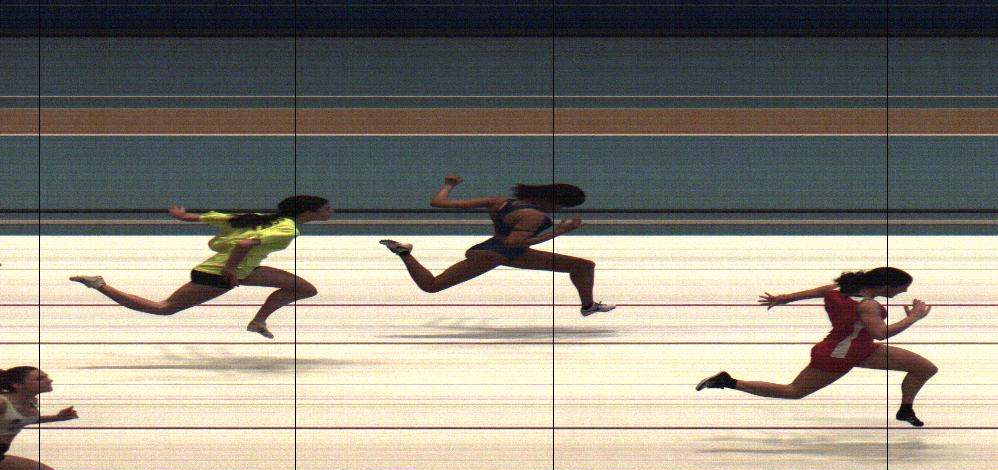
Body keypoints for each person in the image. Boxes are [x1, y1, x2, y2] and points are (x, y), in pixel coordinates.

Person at [697, 267, 936, 427]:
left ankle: (905, 410)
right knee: (794, 391)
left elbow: (814, 292)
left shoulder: (836, 291)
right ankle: (729, 381)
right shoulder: (868, 306)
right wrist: (913, 318)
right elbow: (880, 333)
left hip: (860, 348)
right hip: (839, 354)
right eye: (902, 287)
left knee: (925, 368)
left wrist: (782, 298)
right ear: (886, 286)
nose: (905, 291)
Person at [68, 196, 332, 338]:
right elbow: (243, 244)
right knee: (164, 309)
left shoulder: (266, 219)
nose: (330, 212)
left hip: (243, 270)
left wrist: (185, 216)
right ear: (308, 213)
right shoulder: (287, 230)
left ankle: (258, 322)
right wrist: (230, 271)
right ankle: (99, 284)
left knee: (303, 288)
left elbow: (222, 218)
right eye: (326, 209)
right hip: (219, 273)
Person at [378, 175, 613, 316]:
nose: (559, 210)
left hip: (504, 250)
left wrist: (449, 184)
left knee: (584, 266)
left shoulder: (500, 202)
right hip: (494, 255)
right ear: (548, 200)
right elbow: (513, 242)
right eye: (560, 206)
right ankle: (405, 253)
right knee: (432, 286)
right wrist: (559, 231)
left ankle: (588, 306)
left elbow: (439, 202)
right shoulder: (533, 216)